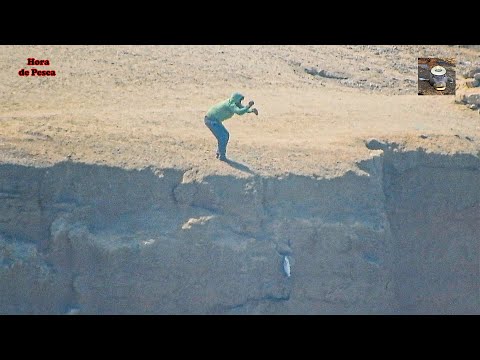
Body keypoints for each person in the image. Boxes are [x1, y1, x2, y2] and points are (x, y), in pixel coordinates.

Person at [204, 92, 258, 161]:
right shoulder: (231, 105)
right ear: (236, 100)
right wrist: (248, 106)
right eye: (240, 100)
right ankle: (222, 156)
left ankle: (219, 153)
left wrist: (251, 110)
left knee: (225, 135)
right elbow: (239, 112)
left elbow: (242, 108)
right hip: (211, 120)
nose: (240, 102)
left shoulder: (233, 103)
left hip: (215, 120)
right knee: (223, 137)